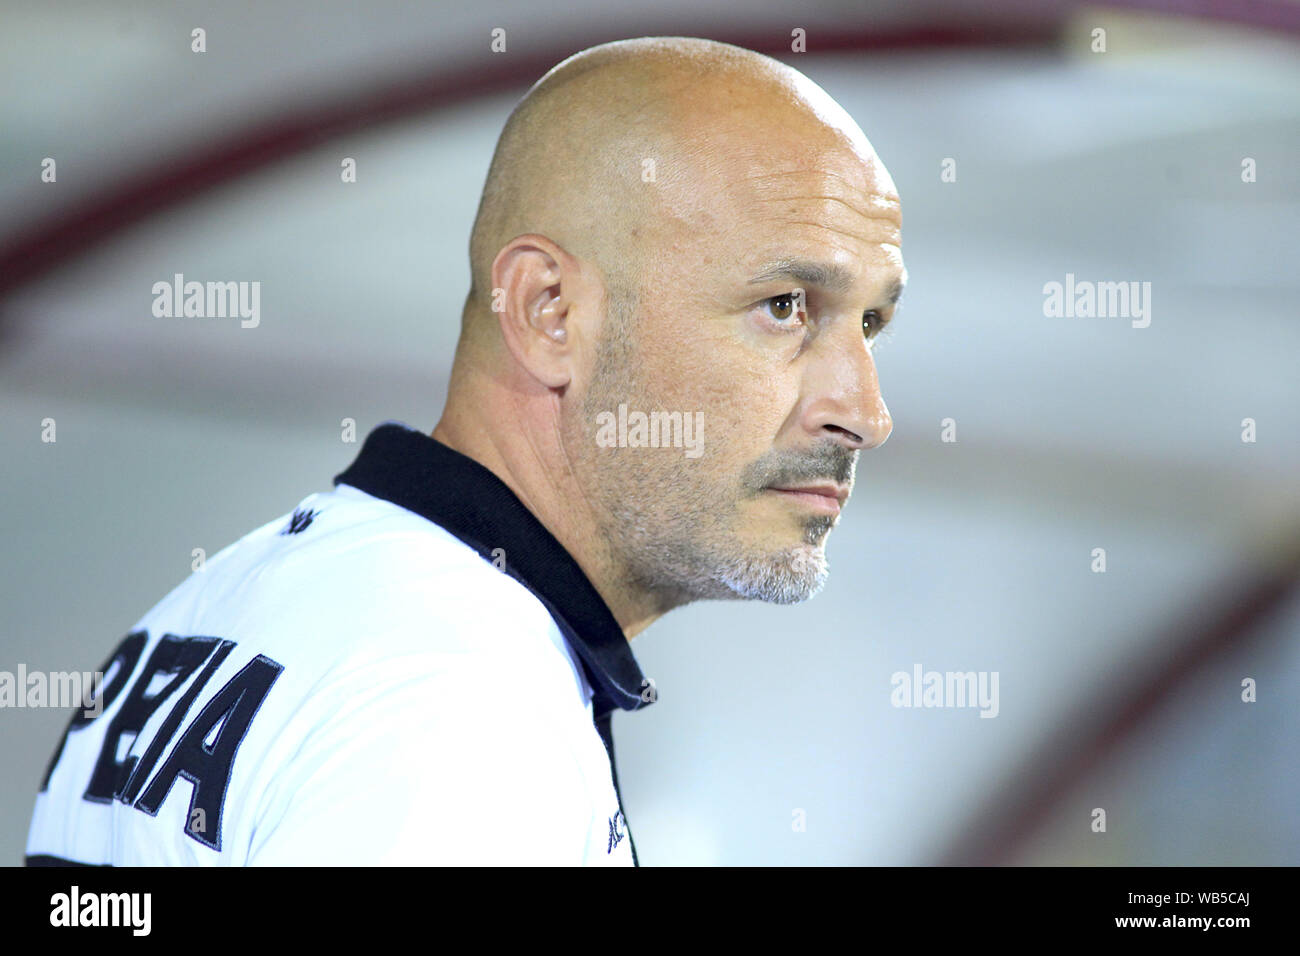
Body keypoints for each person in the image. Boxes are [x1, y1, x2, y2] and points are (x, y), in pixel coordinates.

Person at [27, 35, 904, 866]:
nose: (864, 411)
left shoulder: (210, 612)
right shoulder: (463, 705)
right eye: (787, 305)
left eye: (871, 323)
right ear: (547, 312)